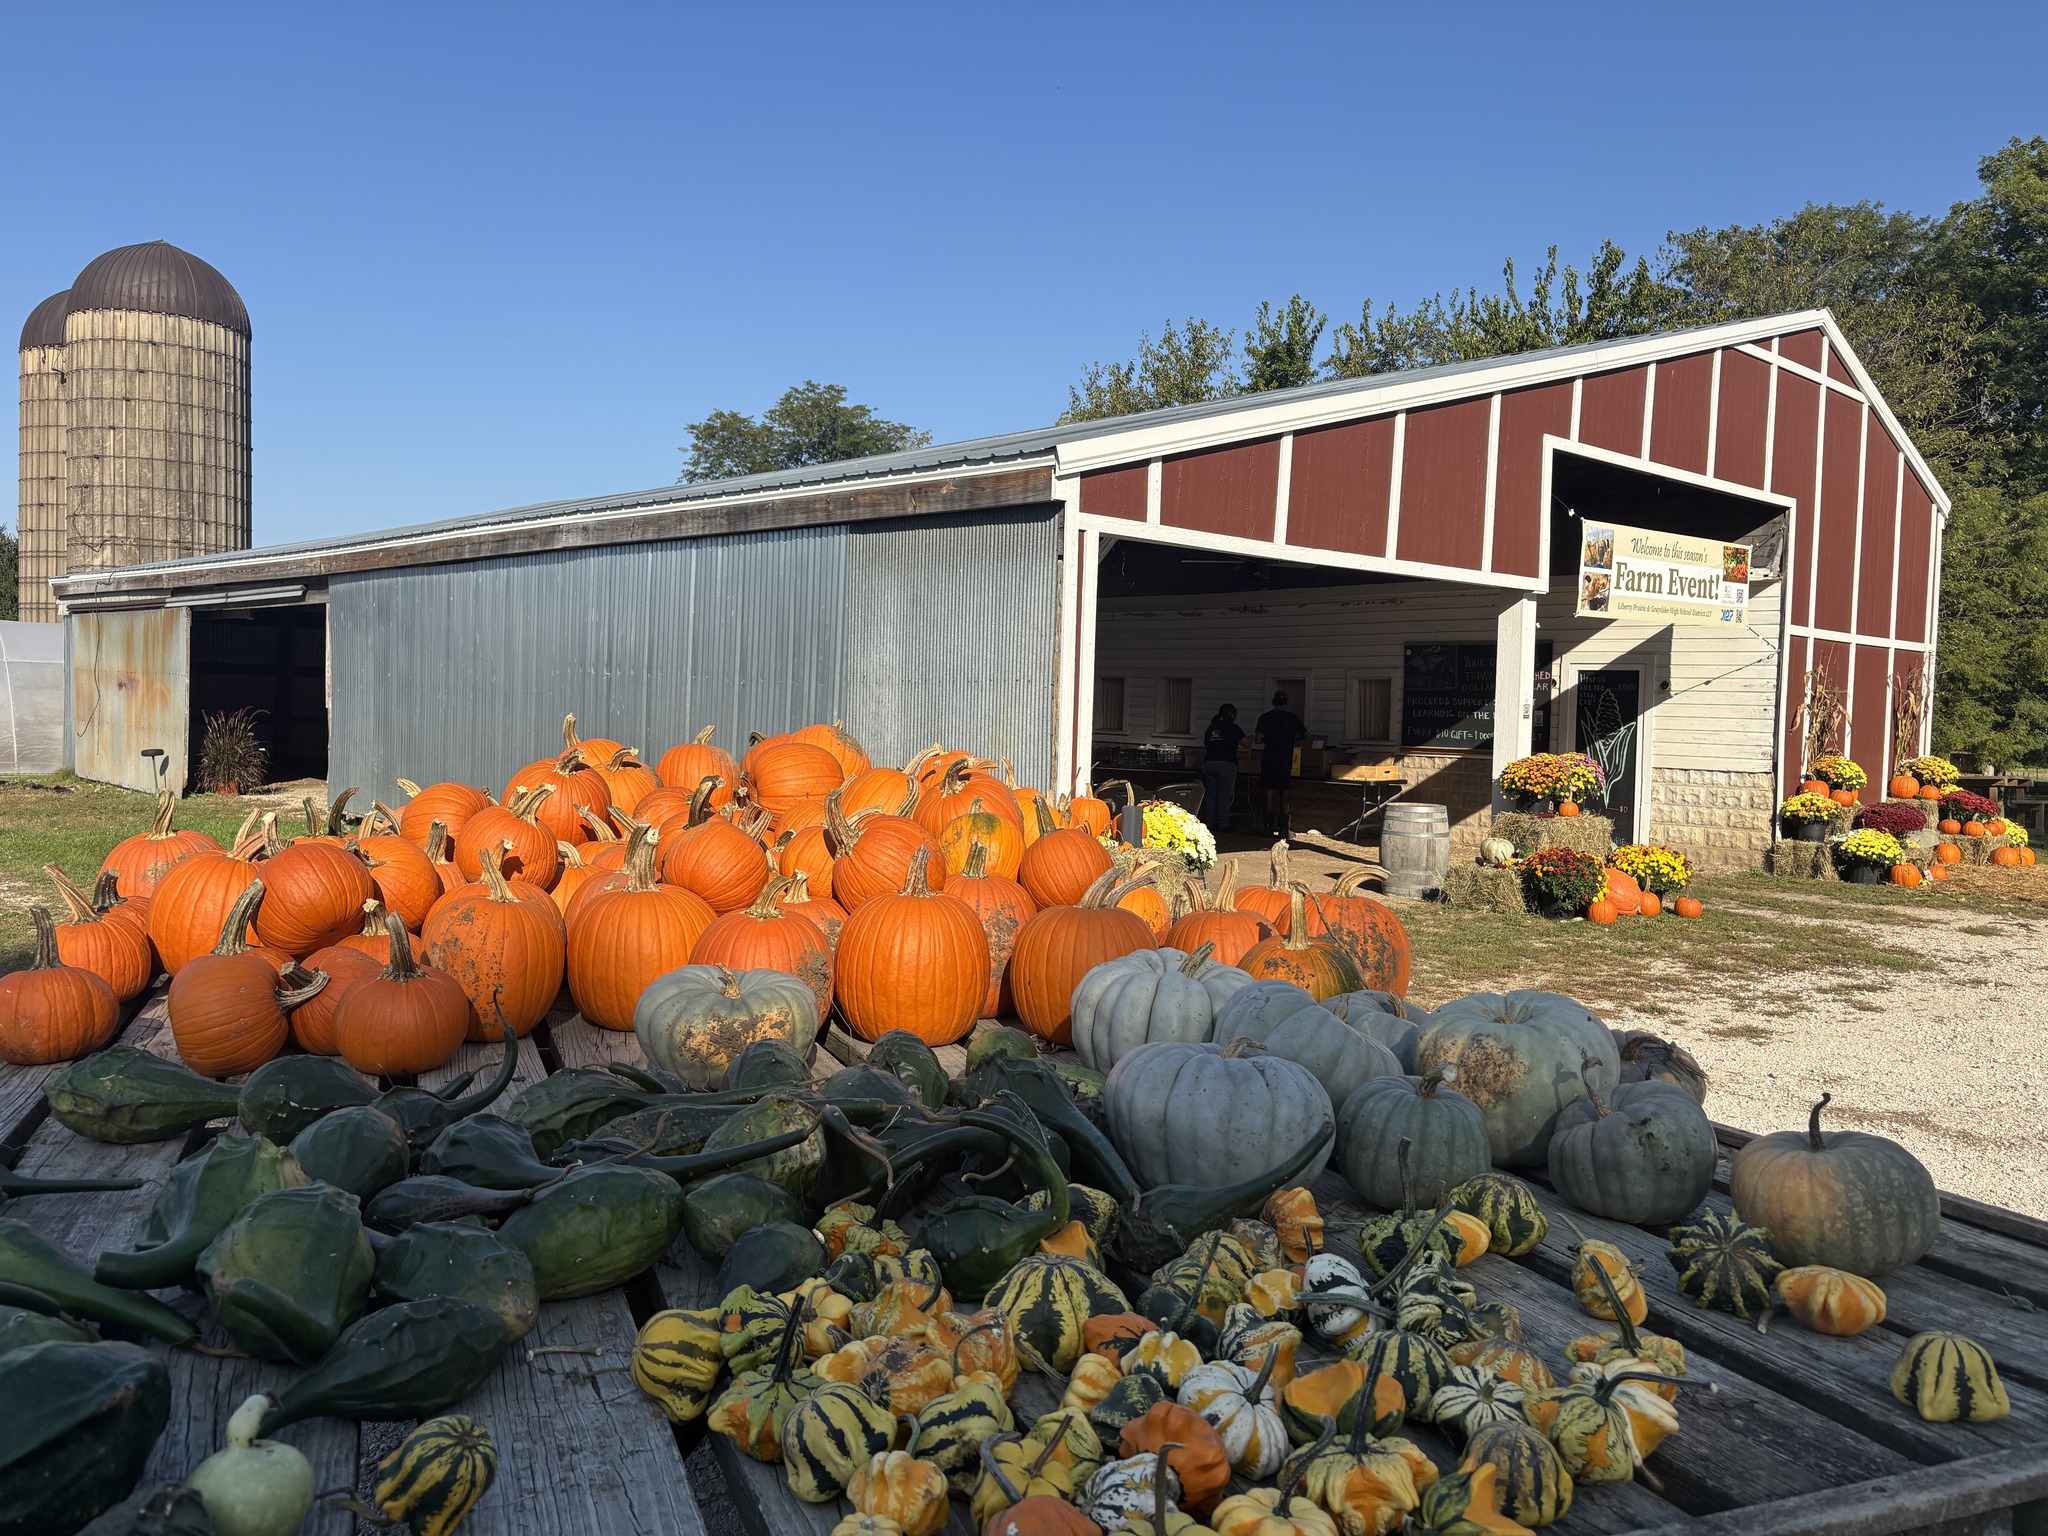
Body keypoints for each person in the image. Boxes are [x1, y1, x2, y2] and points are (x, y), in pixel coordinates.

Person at [1253, 690, 1309, 837]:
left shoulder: (1265, 718)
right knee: (1284, 792)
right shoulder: (1291, 718)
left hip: (1269, 758)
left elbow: (1257, 740)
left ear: (1273, 702)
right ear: (1286, 703)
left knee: (1269, 792)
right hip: (1285, 758)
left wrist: (1268, 740)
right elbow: (1308, 736)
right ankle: (1283, 828)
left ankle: (1267, 827)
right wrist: (1293, 742)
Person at [1199, 704, 1245, 835]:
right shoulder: (1233, 728)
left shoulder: (1211, 728)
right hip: (1226, 763)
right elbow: (1246, 743)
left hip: (1209, 763)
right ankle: (1223, 824)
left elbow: (1206, 744)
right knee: (1225, 795)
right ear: (1231, 714)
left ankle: (1210, 823)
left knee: (1212, 794)